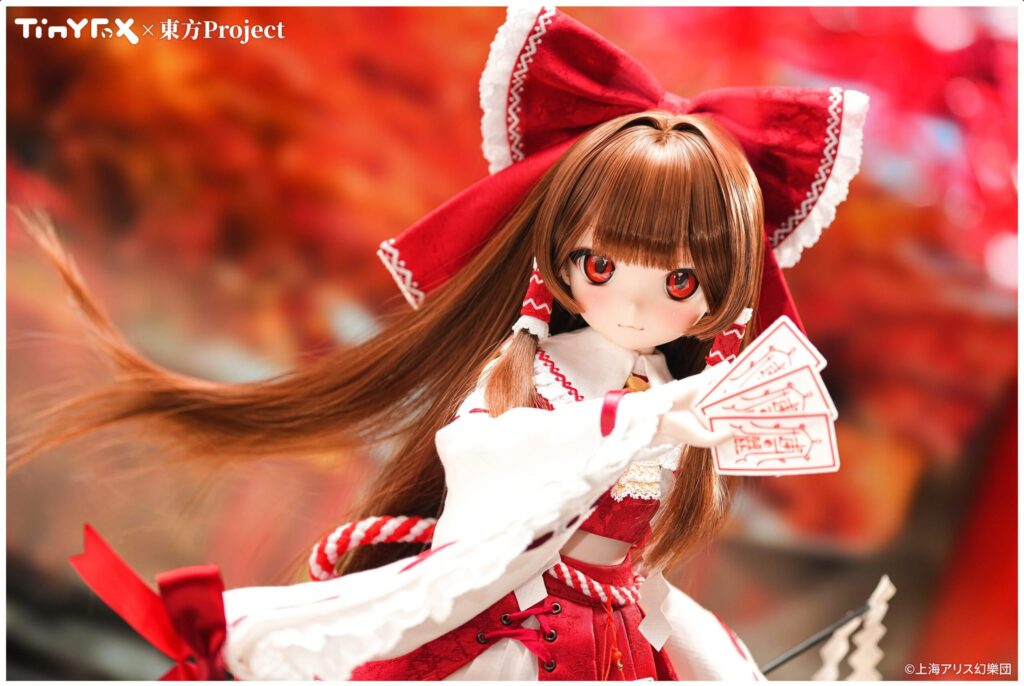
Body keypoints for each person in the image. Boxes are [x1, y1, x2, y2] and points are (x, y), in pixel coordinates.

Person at [13, 6, 868, 681]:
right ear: (558, 257)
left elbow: (639, 558)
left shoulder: (678, 394)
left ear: (727, 290)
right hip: (510, 623)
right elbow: (486, 459)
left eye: (680, 283)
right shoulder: (536, 374)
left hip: (614, 634)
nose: (635, 305)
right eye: (602, 266)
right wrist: (632, 424)